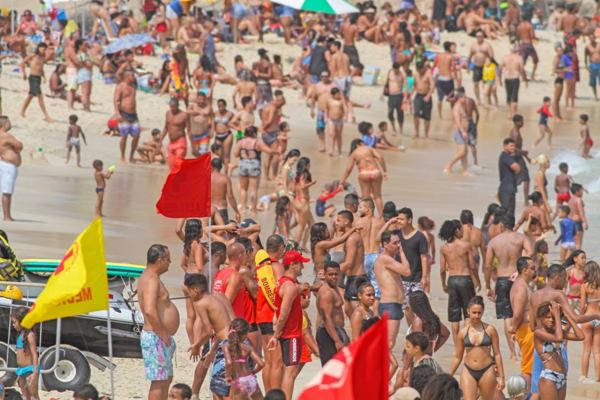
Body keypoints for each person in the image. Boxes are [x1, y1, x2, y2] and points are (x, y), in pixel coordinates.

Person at [485, 214, 532, 361]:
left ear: (501, 226)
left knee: (507, 316)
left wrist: (488, 286)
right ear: (513, 224)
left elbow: (487, 266)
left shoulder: (494, 241)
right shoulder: (520, 238)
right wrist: (519, 270)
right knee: (523, 312)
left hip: (502, 280)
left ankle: (512, 353)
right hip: (517, 278)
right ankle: (523, 348)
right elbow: (530, 253)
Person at [183, 273, 235, 400]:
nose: (189, 296)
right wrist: (212, 350)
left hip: (227, 346)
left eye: (189, 292)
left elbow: (208, 332)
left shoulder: (201, 303)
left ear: (195, 290)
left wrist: (196, 345)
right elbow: (224, 327)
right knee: (233, 385)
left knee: (218, 389)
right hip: (240, 341)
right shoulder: (221, 296)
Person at [138, 244, 180, 400]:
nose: (170, 263)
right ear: (160, 260)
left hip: (159, 336)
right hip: (156, 335)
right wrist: (163, 334)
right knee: (159, 381)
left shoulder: (152, 277)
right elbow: (149, 310)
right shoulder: (151, 279)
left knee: (166, 379)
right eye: (168, 259)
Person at [267, 250, 307, 400]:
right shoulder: (289, 286)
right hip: (291, 334)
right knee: (290, 372)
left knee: (287, 370)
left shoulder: (281, 282)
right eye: (300, 264)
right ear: (293, 265)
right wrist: (276, 335)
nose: (302, 267)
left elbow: (277, 310)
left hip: (287, 333)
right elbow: (283, 314)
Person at [449, 296, 505, 400]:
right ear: (468, 311)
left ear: (483, 312)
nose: (476, 316)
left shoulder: (490, 330)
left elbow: (497, 354)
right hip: (468, 370)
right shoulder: (462, 333)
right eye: (474, 312)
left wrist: (502, 377)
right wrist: (448, 376)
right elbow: (457, 357)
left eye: (479, 313)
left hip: (487, 370)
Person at [439, 219, 479, 343]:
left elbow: (442, 269)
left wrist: (444, 284)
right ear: (456, 231)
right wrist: (478, 280)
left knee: (454, 315)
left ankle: (457, 345)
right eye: (461, 229)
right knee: (467, 313)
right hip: (465, 279)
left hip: (452, 280)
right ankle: (467, 341)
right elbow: (472, 266)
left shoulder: (444, 248)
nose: (462, 231)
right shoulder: (466, 245)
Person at [533, 301, 583, 399]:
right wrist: (556, 314)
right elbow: (559, 338)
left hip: (562, 377)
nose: (551, 320)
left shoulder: (556, 332)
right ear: (541, 318)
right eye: (548, 317)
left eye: (553, 318)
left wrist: (567, 316)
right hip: (549, 377)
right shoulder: (538, 333)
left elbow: (580, 336)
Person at [374, 230, 410, 349]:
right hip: (390, 305)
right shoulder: (385, 259)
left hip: (394, 305)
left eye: (399, 242)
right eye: (395, 243)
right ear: (385, 244)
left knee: (388, 343)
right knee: (388, 344)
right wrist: (402, 252)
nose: (398, 245)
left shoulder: (390, 259)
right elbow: (407, 271)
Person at [508, 257, 536, 391]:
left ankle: (528, 394)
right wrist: (513, 329)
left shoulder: (524, 284)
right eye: (532, 268)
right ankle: (525, 395)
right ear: (524, 270)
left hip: (528, 330)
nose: (534, 271)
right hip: (526, 330)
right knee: (528, 368)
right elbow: (518, 313)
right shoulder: (521, 287)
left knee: (531, 366)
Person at [339, 139, 387, 216]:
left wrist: (342, 182)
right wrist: (385, 171)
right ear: (360, 143)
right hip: (375, 172)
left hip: (364, 174)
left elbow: (348, 170)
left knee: (366, 198)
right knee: (377, 197)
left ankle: (368, 217)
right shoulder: (369, 148)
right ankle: (382, 217)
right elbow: (380, 158)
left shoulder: (354, 153)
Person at [316, 261, 349, 365]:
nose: (333, 277)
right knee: (331, 370)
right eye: (330, 274)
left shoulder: (334, 288)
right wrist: (337, 341)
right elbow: (327, 318)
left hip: (337, 331)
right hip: (328, 334)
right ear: (324, 274)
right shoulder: (327, 292)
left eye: (336, 274)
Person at [223, 318, 265, 399]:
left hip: (239, 381)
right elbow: (261, 363)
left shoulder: (227, 347)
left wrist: (228, 376)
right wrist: (253, 372)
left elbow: (229, 362)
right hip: (251, 379)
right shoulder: (248, 348)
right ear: (245, 334)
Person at [19, 42, 52, 122]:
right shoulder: (33, 55)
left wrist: (44, 77)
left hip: (38, 78)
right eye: (42, 48)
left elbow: (41, 68)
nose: (43, 50)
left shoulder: (42, 57)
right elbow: (21, 63)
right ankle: (46, 115)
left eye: (44, 49)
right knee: (40, 96)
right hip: (33, 77)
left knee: (30, 95)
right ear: (39, 48)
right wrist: (23, 73)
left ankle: (22, 111)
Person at [11, 307, 38, 400]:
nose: (13, 325)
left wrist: (35, 372)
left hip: (29, 371)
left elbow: (34, 354)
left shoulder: (30, 335)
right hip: (21, 370)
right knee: (26, 396)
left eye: (14, 322)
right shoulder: (20, 334)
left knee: (34, 396)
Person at [114, 70, 141, 163]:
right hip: (124, 114)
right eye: (132, 76)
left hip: (134, 114)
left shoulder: (133, 86)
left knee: (137, 136)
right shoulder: (120, 86)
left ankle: (131, 156)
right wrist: (117, 113)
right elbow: (116, 100)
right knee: (124, 136)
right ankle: (122, 156)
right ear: (127, 76)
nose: (134, 77)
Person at [580, 261, 600, 383]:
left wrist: (580, 317)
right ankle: (598, 378)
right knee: (597, 351)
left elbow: (582, 305)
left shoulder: (585, 286)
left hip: (588, 318)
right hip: (599, 318)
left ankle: (584, 376)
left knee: (586, 350)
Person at [0, 116, 22, 221]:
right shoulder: (6, 136)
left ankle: (7, 215)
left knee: (6, 191)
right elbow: (19, 146)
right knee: (7, 191)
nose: (10, 124)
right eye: (9, 122)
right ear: (4, 124)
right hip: (8, 165)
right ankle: (6, 216)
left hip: (4, 163)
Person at [444, 90, 469, 175]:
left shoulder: (461, 106)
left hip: (464, 132)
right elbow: (457, 121)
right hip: (459, 132)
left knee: (465, 152)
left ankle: (464, 171)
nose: (465, 99)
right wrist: (462, 131)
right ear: (460, 98)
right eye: (464, 97)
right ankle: (448, 166)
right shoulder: (456, 107)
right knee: (461, 152)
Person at [161, 98, 190, 171]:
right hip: (171, 142)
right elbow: (166, 127)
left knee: (178, 163)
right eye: (171, 107)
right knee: (171, 166)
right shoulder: (168, 113)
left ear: (178, 106)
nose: (172, 108)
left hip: (181, 141)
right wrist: (160, 140)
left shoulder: (184, 115)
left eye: (174, 107)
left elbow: (189, 130)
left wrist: (193, 145)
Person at [500, 46, 527, 119]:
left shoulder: (505, 57)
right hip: (515, 78)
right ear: (517, 51)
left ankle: (509, 113)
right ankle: (514, 114)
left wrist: (499, 80)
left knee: (508, 96)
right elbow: (522, 69)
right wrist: (524, 78)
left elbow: (499, 68)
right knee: (514, 97)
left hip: (507, 78)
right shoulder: (519, 58)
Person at [211, 158, 240, 224]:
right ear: (221, 167)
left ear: (211, 166)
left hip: (209, 210)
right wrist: (236, 211)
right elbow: (230, 196)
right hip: (221, 209)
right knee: (222, 232)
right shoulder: (225, 179)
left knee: (209, 232)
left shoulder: (206, 178)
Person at [469, 31, 495, 105]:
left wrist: (490, 63)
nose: (479, 38)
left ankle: (488, 99)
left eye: (480, 36)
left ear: (483, 37)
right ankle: (478, 99)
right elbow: (470, 55)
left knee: (487, 84)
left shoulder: (487, 45)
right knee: (475, 84)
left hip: (485, 67)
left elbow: (491, 56)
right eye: (477, 36)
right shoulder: (473, 45)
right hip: (476, 67)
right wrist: (468, 66)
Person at [497, 138, 521, 218]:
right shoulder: (505, 156)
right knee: (507, 213)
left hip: (508, 188)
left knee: (509, 213)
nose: (513, 148)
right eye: (511, 146)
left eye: (514, 146)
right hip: (507, 189)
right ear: (505, 146)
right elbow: (516, 167)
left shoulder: (507, 156)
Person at [412, 62, 435, 138]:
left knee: (427, 117)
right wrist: (410, 95)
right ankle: (416, 133)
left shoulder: (428, 74)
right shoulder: (416, 74)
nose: (419, 72)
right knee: (416, 114)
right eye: (418, 70)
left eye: (420, 70)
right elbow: (414, 85)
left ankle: (426, 134)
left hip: (426, 96)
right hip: (418, 96)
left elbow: (432, 86)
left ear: (423, 68)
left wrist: (428, 95)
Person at [383, 62, 405, 135]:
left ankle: (401, 129)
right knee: (390, 113)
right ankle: (394, 128)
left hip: (399, 95)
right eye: (394, 69)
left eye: (397, 70)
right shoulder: (390, 72)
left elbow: (406, 86)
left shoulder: (402, 75)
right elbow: (387, 82)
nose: (395, 71)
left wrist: (406, 97)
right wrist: (383, 92)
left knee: (400, 114)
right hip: (391, 95)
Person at [567, 183, 588, 249]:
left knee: (571, 245)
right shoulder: (578, 200)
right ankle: (577, 258)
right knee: (578, 244)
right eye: (581, 191)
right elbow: (581, 211)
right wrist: (585, 222)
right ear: (577, 192)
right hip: (577, 223)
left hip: (570, 222)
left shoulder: (570, 200)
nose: (582, 192)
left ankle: (569, 259)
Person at [585, 36, 600, 101]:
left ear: (595, 38)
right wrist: (586, 66)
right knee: (593, 82)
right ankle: (595, 96)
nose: (592, 39)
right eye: (591, 38)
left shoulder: (599, 45)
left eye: (593, 38)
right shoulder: (587, 47)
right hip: (592, 65)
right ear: (589, 39)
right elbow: (585, 57)